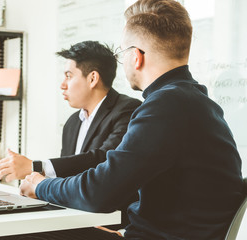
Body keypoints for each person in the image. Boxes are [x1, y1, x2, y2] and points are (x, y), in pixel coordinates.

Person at [17, 0, 245, 239]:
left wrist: (41, 185)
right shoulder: (197, 102)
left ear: (136, 57)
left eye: (121, 53)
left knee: (22, 230)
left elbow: (99, 191)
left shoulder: (165, 106)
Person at [0, 41, 141, 183]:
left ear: (93, 79)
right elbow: (67, 177)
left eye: (69, 76)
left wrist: (36, 167)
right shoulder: (72, 122)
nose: (62, 85)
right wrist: (39, 185)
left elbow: (104, 159)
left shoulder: (128, 110)